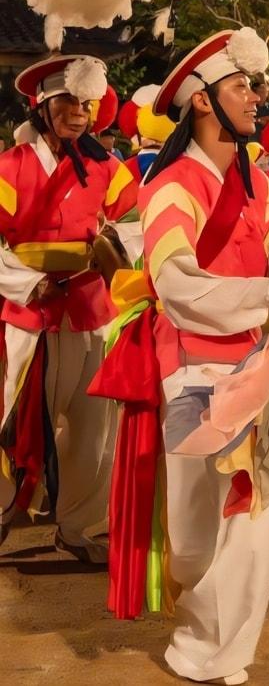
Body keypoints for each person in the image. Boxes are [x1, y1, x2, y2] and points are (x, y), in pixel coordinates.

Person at [108, 28, 269, 683]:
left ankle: (220, 618)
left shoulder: (259, 184)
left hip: (255, 367)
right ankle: (206, 646)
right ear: (202, 102)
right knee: (220, 526)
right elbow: (174, 283)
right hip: (197, 371)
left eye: (257, 86)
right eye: (243, 87)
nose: (257, 98)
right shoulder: (172, 185)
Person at [0, 55, 136, 561]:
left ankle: (78, 527)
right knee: (16, 420)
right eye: (69, 103)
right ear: (42, 105)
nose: (79, 113)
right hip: (31, 316)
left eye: (86, 104)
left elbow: (128, 224)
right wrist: (29, 282)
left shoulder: (105, 166)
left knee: (96, 428)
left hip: (91, 312)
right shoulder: (9, 167)